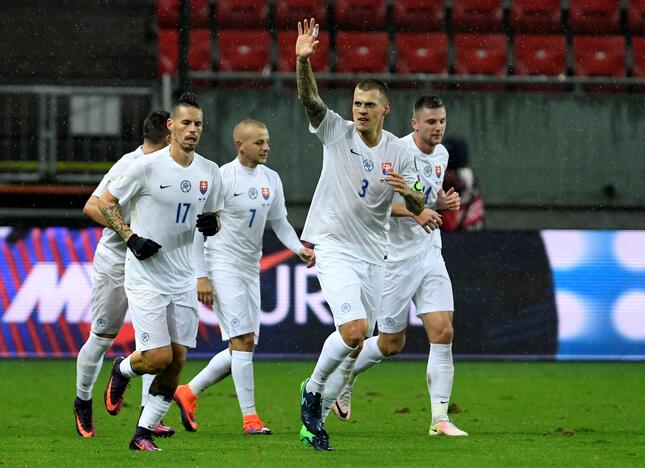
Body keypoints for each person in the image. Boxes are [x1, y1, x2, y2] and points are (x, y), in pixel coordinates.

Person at [294, 19, 424, 451]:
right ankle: (312, 392)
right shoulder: (336, 132)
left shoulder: (400, 151)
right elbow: (310, 99)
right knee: (353, 331)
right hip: (332, 245)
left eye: (369, 104)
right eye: (356, 102)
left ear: (385, 110)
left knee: (361, 341)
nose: (360, 110)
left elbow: (423, 204)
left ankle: (315, 417)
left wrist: (413, 194)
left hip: (374, 253)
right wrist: (302, 60)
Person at [329, 96, 468, 437]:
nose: (438, 128)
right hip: (394, 257)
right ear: (414, 124)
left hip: (429, 252)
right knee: (391, 344)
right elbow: (378, 205)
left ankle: (440, 419)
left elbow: (425, 197)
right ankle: (345, 376)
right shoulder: (394, 154)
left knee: (443, 331)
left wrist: (440, 203)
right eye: (431, 122)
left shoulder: (442, 154)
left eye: (442, 121)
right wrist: (417, 211)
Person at [98, 92, 223, 451]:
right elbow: (106, 203)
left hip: (182, 277)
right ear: (170, 126)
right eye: (185, 123)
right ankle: (122, 370)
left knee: (178, 360)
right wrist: (131, 237)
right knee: (158, 357)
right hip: (147, 275)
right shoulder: (146, 167)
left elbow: (213, 216)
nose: (192, 130)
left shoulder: (209, 172)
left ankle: (143, 433)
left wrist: (212, 225)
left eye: (197, 124)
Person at [173, 119, 315, 435]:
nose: (266, 147)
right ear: (240, 145)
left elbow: (280, 222)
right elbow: (201, 227)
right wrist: (201, 276)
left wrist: (298, 248)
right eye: (259, 143)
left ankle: (188, 391)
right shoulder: (222, 178)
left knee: (245, 346)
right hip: (222, 265)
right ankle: (250, 419)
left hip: (250, 268)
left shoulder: (271, 179)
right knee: (241, 341)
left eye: (267, 142)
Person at [73, 110, 175, 439]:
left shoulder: (175, 167)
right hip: (117, 261)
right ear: (168, 135)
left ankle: (149, 415)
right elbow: (92, 206)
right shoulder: (130, 164)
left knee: (156, 341)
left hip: (152, 264)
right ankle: (83, 400)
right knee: (102, 337)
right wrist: (130, 234)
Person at [441, 136, 485, 231]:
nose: (448, 174)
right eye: (446, 170)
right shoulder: (436, 181)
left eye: (451, 170)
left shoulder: (466, 178)